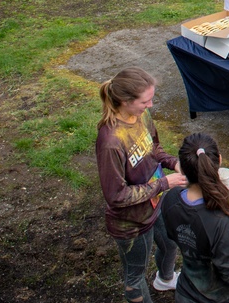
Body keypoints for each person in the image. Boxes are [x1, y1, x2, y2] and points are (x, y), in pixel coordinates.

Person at [95, 67, 187, 303]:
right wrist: (164, 183)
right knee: (135, 277)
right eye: (145, 101)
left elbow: (154, 148)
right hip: (132, 223)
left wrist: (174, 164)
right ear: (125, 101)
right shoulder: (111, 142)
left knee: (169, 244)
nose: (151, 105)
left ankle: (165, 279)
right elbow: (116, 195)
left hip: (155, 204)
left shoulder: (141, 116)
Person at [161, 132, 229, 303]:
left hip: (187, 290)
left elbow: (176, 234)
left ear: (182, 168)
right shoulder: (220, 222)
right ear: (219, 161)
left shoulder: (170, 199)